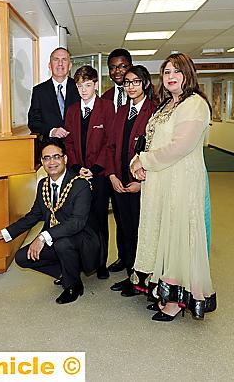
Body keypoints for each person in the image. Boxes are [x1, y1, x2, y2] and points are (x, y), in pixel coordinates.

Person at [130, 53, 216, 321]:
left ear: (188, 74)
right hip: (160, 180)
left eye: (176, 71)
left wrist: (143, 160)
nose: (170, 76)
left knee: (178, 237)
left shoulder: (194, 105)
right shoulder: (166, 105)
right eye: (166, 72)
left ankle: (177, 301)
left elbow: (180, 147)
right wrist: (138, 160)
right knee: (162, 236)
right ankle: (165, 292)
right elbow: (151, 141)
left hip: (181, 181)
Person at [0, 138, 100, 304]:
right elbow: (33, 215)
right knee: (22, 258)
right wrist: (2, 234)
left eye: (56, 157)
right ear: (42, 162)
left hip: (82, 239)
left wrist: (42, 237)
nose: (51, 162)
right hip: (55, 237)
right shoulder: (43, 185)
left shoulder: (80, 185)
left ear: (65, 159)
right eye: (46, 158)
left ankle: (74, 285)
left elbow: (77, 223)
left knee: (62, 243)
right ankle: (66, 272)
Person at [106, 66, 156, 296]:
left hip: (142, 183)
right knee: (125, 228)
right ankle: (130, 273)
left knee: (140, 231)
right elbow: (111, 146)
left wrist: (141, 183)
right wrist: (112, 176)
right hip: (119, 181)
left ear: (145, 83)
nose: (131, 86)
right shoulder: (121, 111)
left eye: (136, 81)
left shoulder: (154, 112)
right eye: (127, 82)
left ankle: (140, 279)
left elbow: (157, 151)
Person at [64, 65, 114, 280]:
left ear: (95, 85)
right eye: (79, 86)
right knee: (78, 220)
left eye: (87, 85)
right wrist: (76, 167)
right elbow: (69, 141)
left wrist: (94, 169)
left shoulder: (107, 107)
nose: (83, 90)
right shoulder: (73, 110)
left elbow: (109, 142)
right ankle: (82, 263)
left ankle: (101, 263)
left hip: (99, 174)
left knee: (100, 219)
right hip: (77, 174)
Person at [101, 48, 133, 274]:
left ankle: (135, 262)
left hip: (133, 169)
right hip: (109, 168)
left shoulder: (144, 96)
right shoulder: (104, 98)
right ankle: (122, 257)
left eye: (122, 66)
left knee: (132, 219)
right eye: (113, 67)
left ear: (129, 65)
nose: (117, 71)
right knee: (118, 218)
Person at [28, 47, 81, 140]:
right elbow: (33, 122)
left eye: (64, 60)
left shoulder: (80, 88)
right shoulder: (39, 91)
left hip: (77, 146)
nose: (60, 63)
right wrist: (52, 131)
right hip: (50, 147)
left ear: (70, 65)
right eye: (56, 59)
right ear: (49, 65)